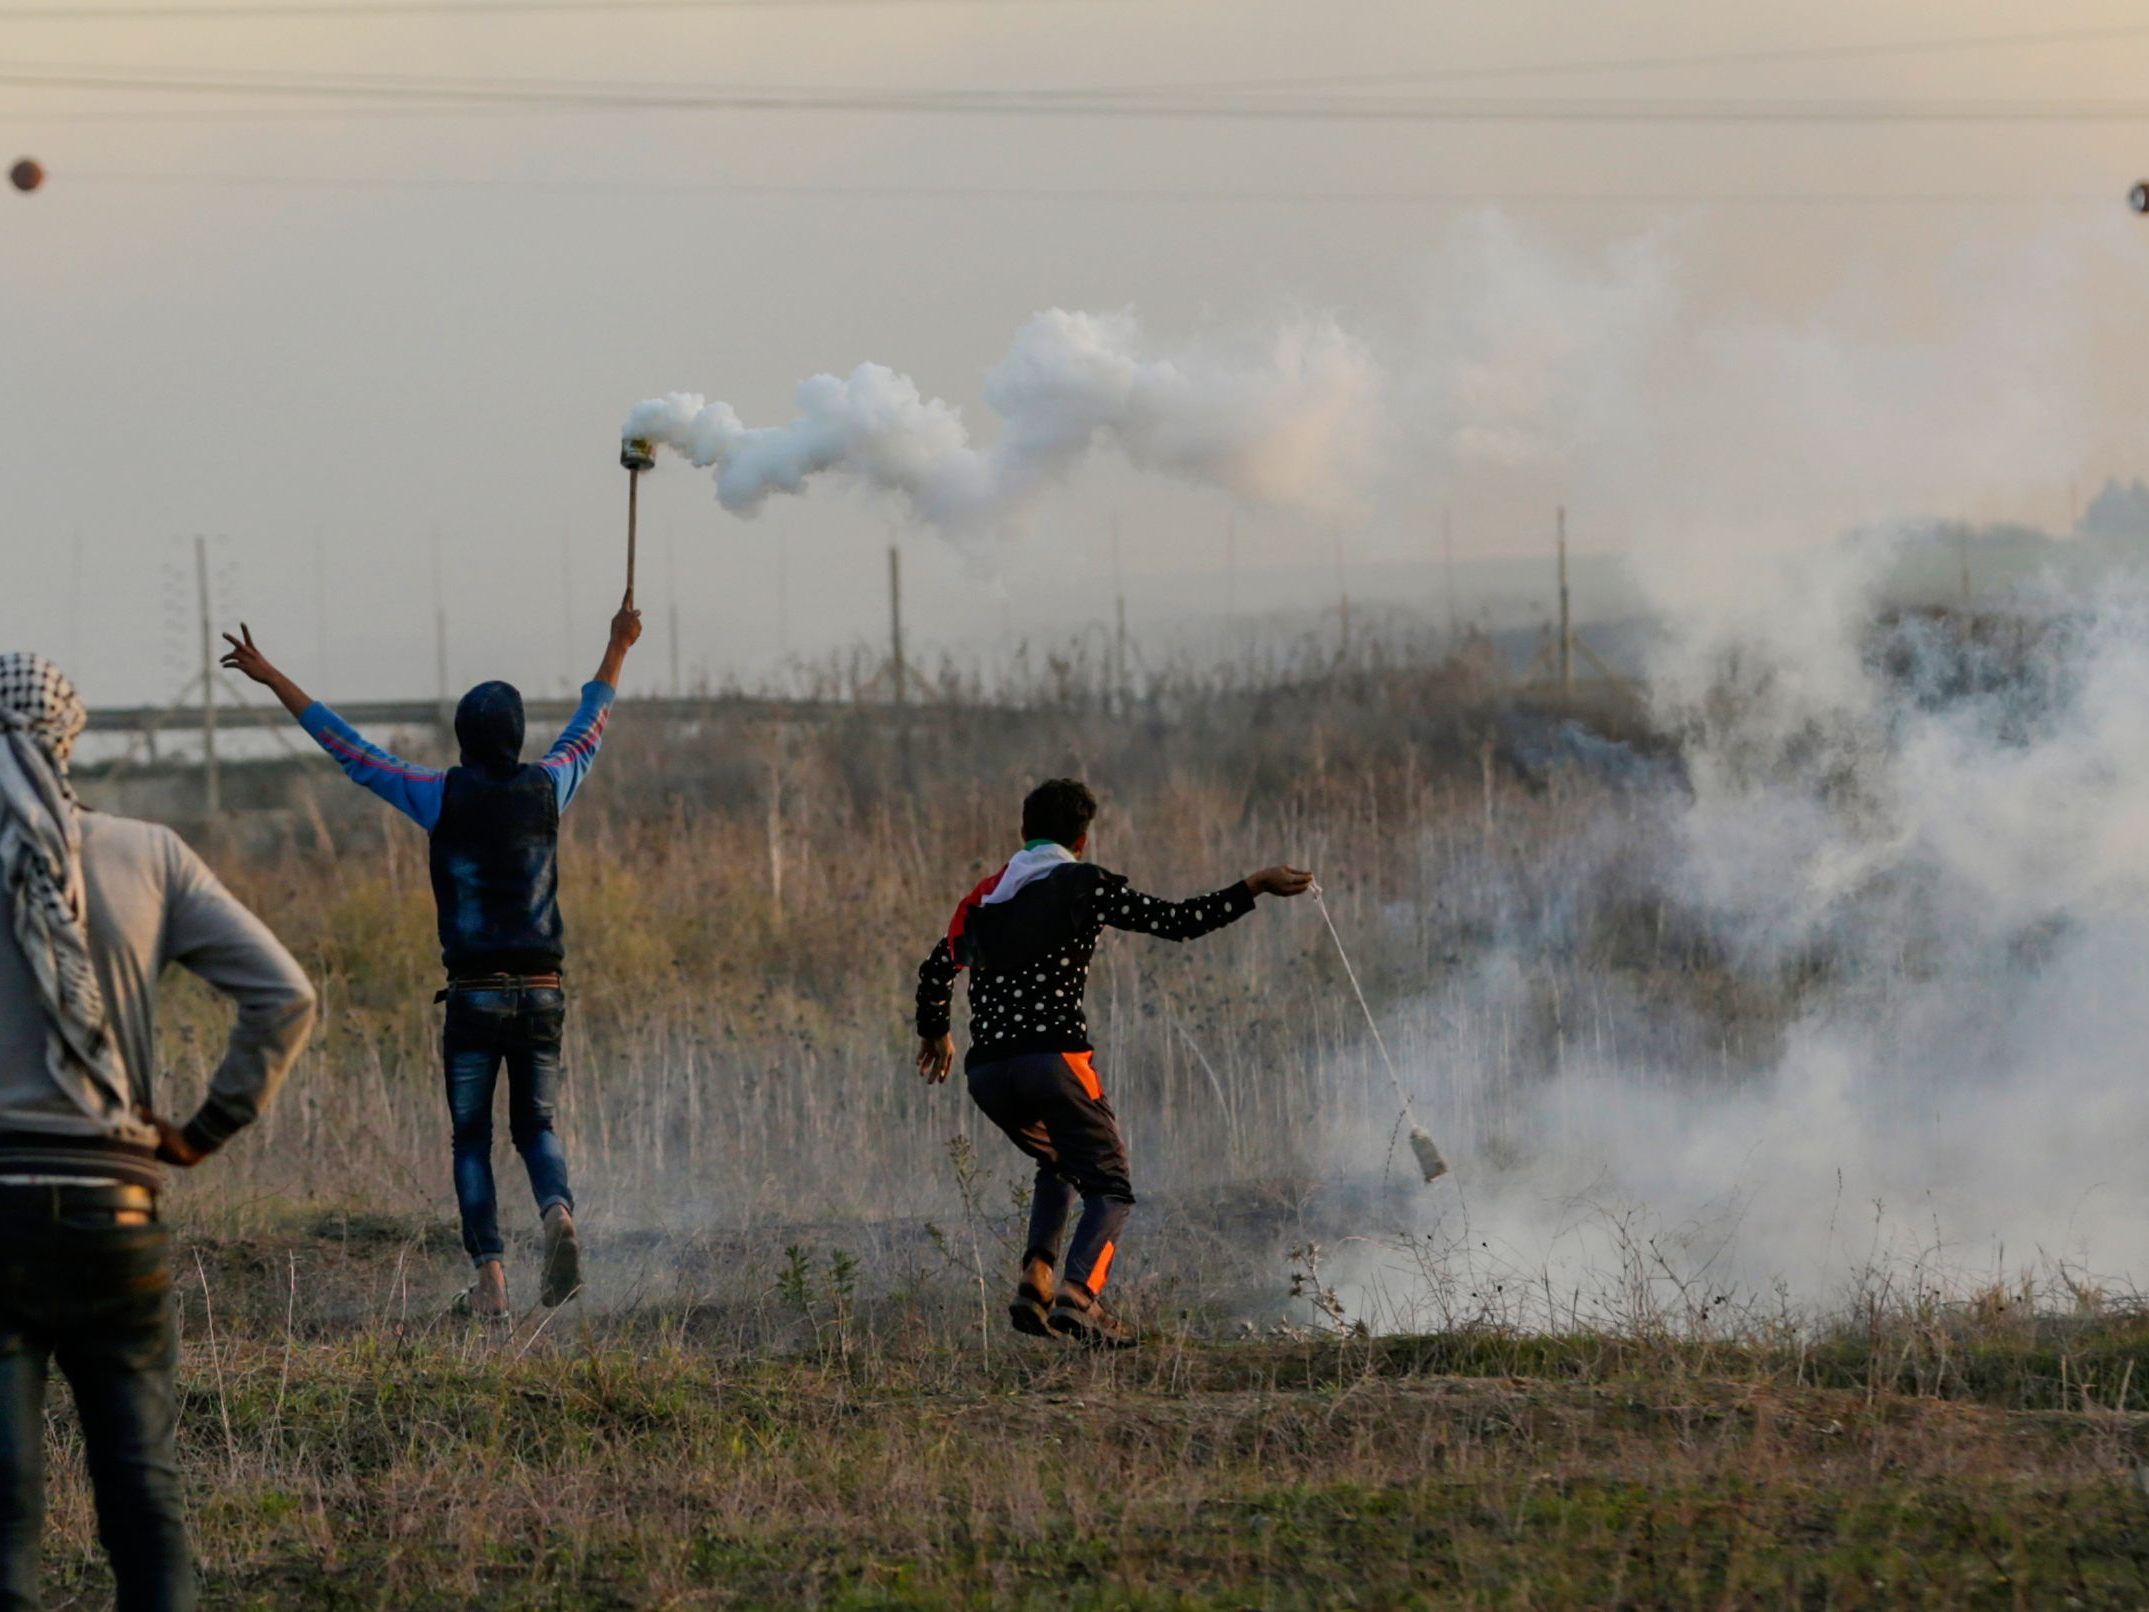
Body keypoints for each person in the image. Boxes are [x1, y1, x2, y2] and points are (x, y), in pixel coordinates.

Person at [0, 653, 316, 1612]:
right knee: (144, 1491)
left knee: (5, 1513)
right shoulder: (151, 854)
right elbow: (286, 996)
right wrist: (203, 1129)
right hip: (119, 1212)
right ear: (72, 737)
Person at [221, 595, 641, 1317]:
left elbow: (349, 749)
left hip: (473, 996)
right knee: (535, 1127)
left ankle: (491, 1282)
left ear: (462, 741)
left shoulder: (435, 795)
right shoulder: (549, 786)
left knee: (471, 1138)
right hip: (542, 989)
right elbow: (590, 726)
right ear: (515, 739)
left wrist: (273, 676)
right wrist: (618, 647)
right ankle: (558, 1213)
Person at [914, 777, 1312, 1348]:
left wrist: (936, 1032)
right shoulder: (1084, 883)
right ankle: (1081, 1297)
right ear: (1081, 839)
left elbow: (935, 970)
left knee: (1058, 1162)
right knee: (1112, 1186)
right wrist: (1255, 885)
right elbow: (1181, 922)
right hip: (1053, 1061)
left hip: (988, 1074)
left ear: (1024, 831)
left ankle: (1036, 1280)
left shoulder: (983, 897)